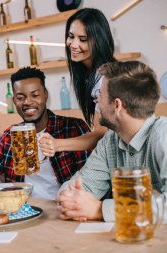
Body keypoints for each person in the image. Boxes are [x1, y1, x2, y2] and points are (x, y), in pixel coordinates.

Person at [57, 61, 167, 224]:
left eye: (99, 95)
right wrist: (69, 199)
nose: (96, 102)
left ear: (117, 105)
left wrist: (99, 210)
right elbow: (82, 184)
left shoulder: (166, 135)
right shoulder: (110, 140)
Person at [0, 67, 91, 200]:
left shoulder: (73, 128)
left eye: (35, 95)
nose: (27, 102)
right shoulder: (10, 136)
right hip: (24, 208)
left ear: (45, 95)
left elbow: (90, 176)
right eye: (20, 97)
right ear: (14, 101)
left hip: (64, 207)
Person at [40, 8, 116, 157]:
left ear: (99, 41)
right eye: (70, 36)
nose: (73, 45)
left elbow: (100, 134)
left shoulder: (106, 78)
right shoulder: (89, 75)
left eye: (83, 39)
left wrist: (57, 144)